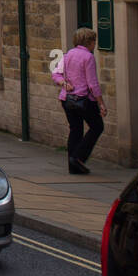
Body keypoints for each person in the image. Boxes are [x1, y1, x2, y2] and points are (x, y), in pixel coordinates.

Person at [52, 27, 106, 174]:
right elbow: (92, 84)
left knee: (75, 130)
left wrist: (64, 84)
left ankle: (73, 166)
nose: (95, 44)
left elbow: (56, 74)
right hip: (83, 100)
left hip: (67, 100)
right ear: (88, 41)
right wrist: (101, 103)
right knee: (97, 127)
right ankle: (78, 158)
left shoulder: (67, 55)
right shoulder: (88, 57)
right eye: (94, 41)